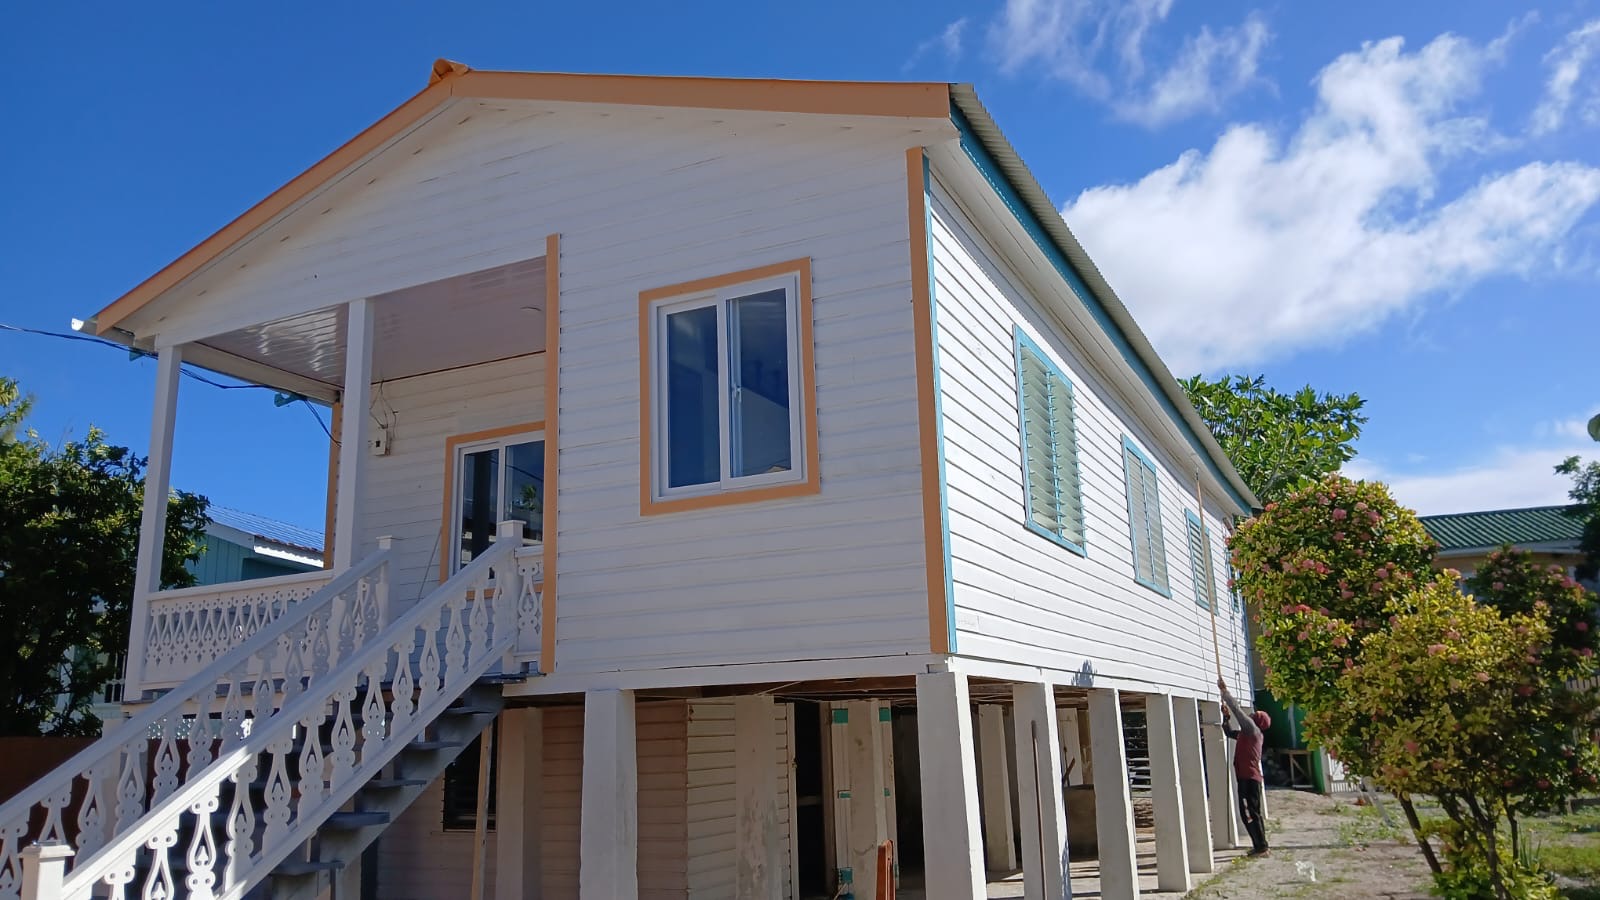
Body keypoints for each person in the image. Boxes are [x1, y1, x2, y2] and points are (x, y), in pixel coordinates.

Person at [1218, 676, 1272, 856]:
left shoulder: (1252, 730)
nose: (1250, 715)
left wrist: (1225, 691)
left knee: (1249, 813)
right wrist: (1225, 718)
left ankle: (1261, 846)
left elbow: (1237, 711)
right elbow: (1229, 733)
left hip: (1248, 778)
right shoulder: (1247, 734)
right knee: (1251, 812)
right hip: (1248, 777)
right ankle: (1260, 845)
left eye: (1253, 716)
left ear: (1256, 721)